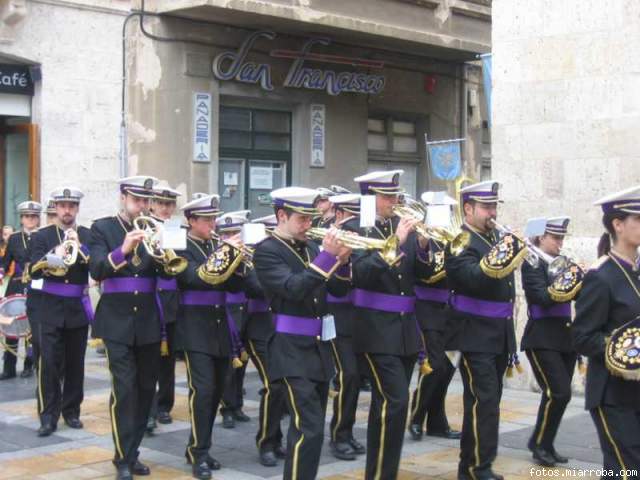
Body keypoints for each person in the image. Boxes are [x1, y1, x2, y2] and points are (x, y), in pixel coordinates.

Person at [253, 186, 351, 480]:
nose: (309, 226)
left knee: (312, 430)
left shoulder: (309, 247)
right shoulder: (266, 251)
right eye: (302, 219)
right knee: (307, 426)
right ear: (281, 216)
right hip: (289, 350)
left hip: (319, 348)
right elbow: (293, 289)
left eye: (311, 219)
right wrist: (326, 259)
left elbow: (339, 289)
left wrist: (341, 263)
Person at [89, 175, 179, 480]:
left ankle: (132, 452)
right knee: (124, 389)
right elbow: (98, 269)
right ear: (123, 197)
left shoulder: (156, 230)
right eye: (137, 200)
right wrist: (123, 250)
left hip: (149, 322)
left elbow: (169, 270)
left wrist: (168, 251)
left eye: (146, 201)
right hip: (116, 320)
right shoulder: (102, 228)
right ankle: (122, 458)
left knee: (144, 391)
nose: (142, 207)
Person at [445, 180, 527, 480]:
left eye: (495, 206)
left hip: (497, 332)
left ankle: (471, 467)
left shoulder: (492, 237)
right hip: (472, 333)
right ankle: (479, 467)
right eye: (486, 207)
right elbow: (470, 278)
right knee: (485, 401)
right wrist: (505, 251)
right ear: (468, 209)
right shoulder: (460, 240)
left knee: (486, 402)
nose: (492, 212)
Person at [347, 170, 426, 480]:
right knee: (395, 401)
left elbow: (417, 276)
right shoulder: (354, 229)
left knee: (390, 406)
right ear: (369, 197)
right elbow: (361, 274)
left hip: (405, 330)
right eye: (387, 196)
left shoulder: (400, 226)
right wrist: (398, 242)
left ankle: (382, 473)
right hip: (374, 331)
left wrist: (422, 247)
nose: (394, 201)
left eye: (395, 195)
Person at [174, 194, 246, 480]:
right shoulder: (180, 245)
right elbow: (193, 277)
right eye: (206, 220)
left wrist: (239, 262)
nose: (212, 224)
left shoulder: (217, 245)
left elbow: (235, 285)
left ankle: (197, 446)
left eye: (214, 219)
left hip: (219, 326)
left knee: (217, 391)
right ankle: (200, 454)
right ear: (191, 221)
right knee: (202, 391)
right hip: (193, 328)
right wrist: (225, 255)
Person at [573, 186, 640, 476]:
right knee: (628, 469)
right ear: (618, 224)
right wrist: (623, 349)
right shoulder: (600, 277)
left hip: (636, 390)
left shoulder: (635, 270)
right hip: (611, 394)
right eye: (638, 219)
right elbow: (582, 336)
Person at [27, 187, 92, 437]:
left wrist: (80, 247)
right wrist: (57, 255)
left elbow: (96, 266)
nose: (67, 210)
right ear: (55, 207)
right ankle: (48, 415)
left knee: (76, 364)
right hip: (50, 308)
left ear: (77, 209)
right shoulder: (43, 236)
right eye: (63, 206)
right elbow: (34, 269)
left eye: (72, 206)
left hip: (77, 308)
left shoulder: (86, 234)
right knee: (49, 364)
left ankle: (72, 411)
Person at [521, 216, 582, 466]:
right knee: (558, 392)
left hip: (564, 337)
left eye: (561, 238)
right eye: (555, 237)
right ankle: (540, 445)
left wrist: (583, 278)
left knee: (559, 395)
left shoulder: (564, 263)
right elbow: (541, 297)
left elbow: (578, 295)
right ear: (541, 238)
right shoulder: (532, 263)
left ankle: (543, 442)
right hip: (541, 337)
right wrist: (569, 280)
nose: (560, 242)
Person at [409, 192, 461, 442]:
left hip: (448, 310)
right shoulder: (417, 236)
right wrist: (421, 243)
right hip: (425, 309)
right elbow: (422, 272)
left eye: (450, 212)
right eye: (442, 211)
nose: (447, 217)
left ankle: (438, 422)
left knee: (447, 370)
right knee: (433, 366)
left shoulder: (452, 238)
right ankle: (416, 417)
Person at [324, 192, 367, 461]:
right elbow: (329, 282)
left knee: (355, 377)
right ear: (338, 215)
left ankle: (347, 431)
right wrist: (340, 258)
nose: (356, 226)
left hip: (359, 316)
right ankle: (338, 434)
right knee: (346, 375)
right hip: (336, 316)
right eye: (351, 218)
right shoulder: (326, 240)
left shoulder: (363, 237)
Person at [244, 214, 287, 467]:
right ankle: (266, 441)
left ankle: (277, 436)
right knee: (274, 384)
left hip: (281, 327)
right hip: (258, 327)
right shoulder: (254, 257)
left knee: (282, 384)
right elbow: (256, 287)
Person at [146, 184, 181, 433]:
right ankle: (147, 409)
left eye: (169, 204)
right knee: (150, 359)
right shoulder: (144, 227)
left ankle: (164, 406)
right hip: (152, 297)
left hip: (174, 299)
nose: (166, 208)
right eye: (161, 203)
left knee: (168, 361)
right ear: (152, 205)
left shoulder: (179, 228)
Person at [217, 209, 252, 429]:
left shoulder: (247, 253)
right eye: (225, 234)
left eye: (234, 233)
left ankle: (237, 404)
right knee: (229, 362)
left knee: (243, 359)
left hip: (244, 307)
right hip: (226, 307)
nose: (230, 238)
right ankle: (226, 407)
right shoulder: (216, 254)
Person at [0, 201, 42, 380]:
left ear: (38, 219)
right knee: (12, 325)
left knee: (31, 329)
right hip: (16, 285)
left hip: (35, 286)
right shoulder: (15, 238)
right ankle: (9, 368)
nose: (30, 220)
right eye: (26, 216)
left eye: (33, 216)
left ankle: (29, 365)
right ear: (22, 219)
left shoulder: (43, 236)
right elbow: (6, 262)